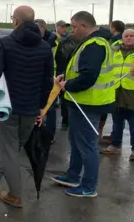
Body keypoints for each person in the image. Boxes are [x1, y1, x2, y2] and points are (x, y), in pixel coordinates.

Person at [0, 6, 54, 208]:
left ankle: (14, 194)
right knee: (14, 149)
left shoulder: (3, 44)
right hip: (32, 108)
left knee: (10, 150)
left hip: (8, 107)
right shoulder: (45, 47)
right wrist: (41, 106)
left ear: (15, 21)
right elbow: (48, 81)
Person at [51, 11, 116, 198]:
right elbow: (82, 70)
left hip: (88, 103)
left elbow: (88, 76)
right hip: (82, 101)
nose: (72, 30)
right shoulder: (94, 42)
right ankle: (72, 176)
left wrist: (67, 85)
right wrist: (67, 77)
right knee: (76, 141)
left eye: (73, 26)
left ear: (84, 26)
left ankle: (88, 186)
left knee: (87, 145)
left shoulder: (94, 44)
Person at [100, 29, 134, 161]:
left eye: (132, 36)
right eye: (126, 36)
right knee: (117, 122)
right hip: (116, 93)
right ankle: (115, 145)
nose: (129, 38)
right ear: (122, 38)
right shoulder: (114, 51)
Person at [99, 20, 126, 144]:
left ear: (113, 28)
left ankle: (102, 134)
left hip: (113, 81)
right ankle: (114, 135)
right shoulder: (124, 41)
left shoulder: (115, 42)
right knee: (117, 114)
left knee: (110, 112)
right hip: (121, 82)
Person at [35, 19, 60, 138]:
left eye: (38, 29)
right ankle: (35, 134)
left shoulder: (55, 43)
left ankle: (49, 136)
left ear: (44, 29)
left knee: (50, 109)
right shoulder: (33, 42)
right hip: (35, 79)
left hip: (52, 80)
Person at [55, 22, 78, 130]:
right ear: (57, 27)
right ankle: (66, 119)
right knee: (64, 97)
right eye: (62, 27)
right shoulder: (57, 40)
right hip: (60, 73)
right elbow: (59, 58)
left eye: (66, 27)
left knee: (66, 97)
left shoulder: (68, 41)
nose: (65, 29)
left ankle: (66, 120)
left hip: (65, 73)